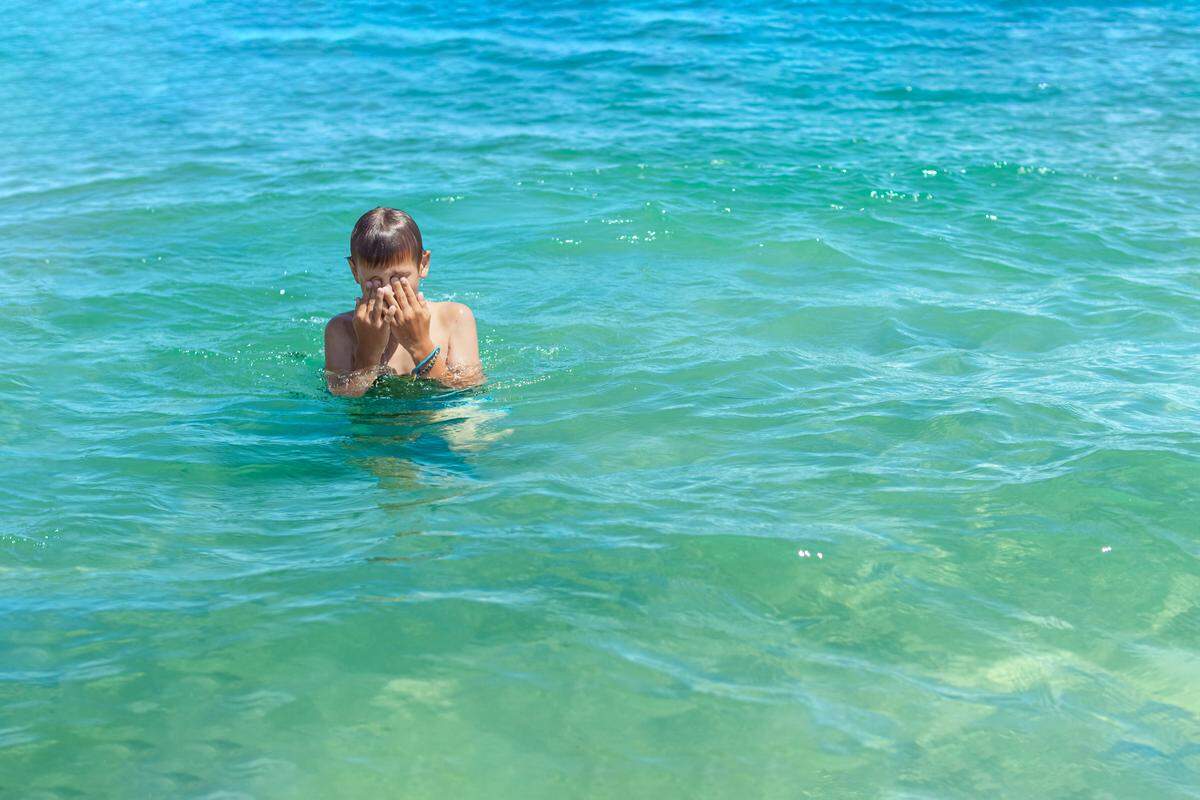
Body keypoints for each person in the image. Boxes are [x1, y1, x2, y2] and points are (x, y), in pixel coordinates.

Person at [324, 207, 483, 395]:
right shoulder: (341, 330)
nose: (386, 290)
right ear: (355, 272)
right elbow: (344, 399)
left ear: (423, 264)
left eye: (398, 278)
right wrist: (368, 352)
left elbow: (467, 394)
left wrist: (420, 345)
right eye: (374, 280)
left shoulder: (455, 318)